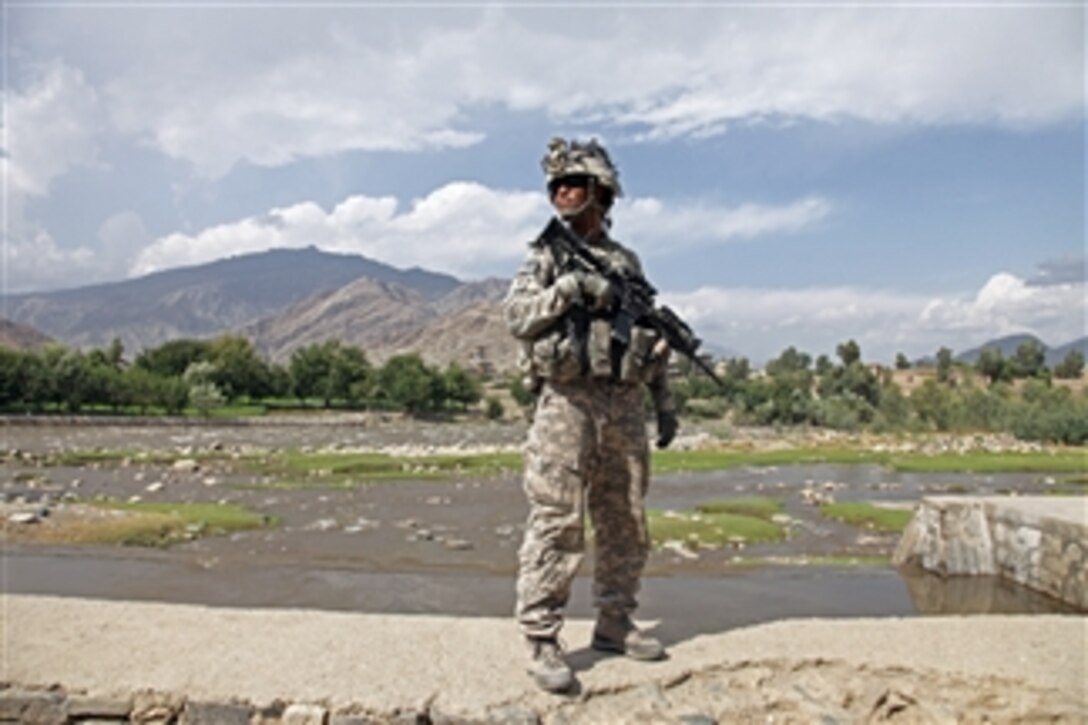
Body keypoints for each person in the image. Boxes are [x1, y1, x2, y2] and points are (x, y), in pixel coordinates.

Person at [503, 137, 678, 693]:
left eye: (573, 183)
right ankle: (543, 638)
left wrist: (664, 400)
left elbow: (647, 334)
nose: (562, 192)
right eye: (555, 185)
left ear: (601, 191)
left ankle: (615, 623)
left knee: (625, 519)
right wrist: (570, 288)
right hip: (567, 403)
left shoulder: (627, 262)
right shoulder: (546, 256)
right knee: (556, 520)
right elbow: (517, 316)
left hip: (624, 403)